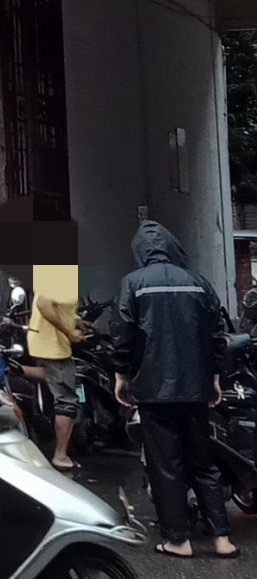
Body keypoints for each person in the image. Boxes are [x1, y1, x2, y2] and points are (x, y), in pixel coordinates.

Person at [112, 220, 237, 560]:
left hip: (154, 390)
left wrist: (121, 375)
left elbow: (123, 333)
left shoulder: (133, 283)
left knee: (166, 466)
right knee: (204, 462)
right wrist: (214, 378)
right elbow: (217, 335)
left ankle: (179, 540)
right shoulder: (198, 282)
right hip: (195, 388)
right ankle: (222, 538)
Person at [26, 280, 90, 471]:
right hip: (52, 346)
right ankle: (60, 455)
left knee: (51, 377)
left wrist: (75, 320)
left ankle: (13, 370)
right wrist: (69, 331)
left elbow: (58, 304)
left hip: (47, 343)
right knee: (67, 400)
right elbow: (44, 304)